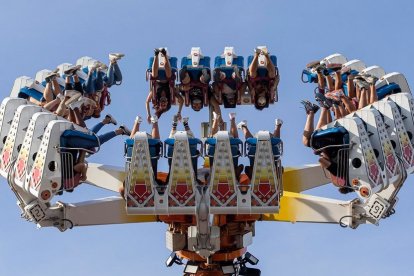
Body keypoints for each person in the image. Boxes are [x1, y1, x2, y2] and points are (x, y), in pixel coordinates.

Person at [300, 100, 353, 194]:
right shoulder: (337, 172)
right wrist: (321, 155)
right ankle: (319, 109)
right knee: (310, 142)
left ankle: (319, 110)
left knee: (315, 141)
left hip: (339, 143)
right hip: (336, 142)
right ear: (340, 183)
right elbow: (322, 161)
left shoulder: (350, 169)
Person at [146, 48, 183, 121]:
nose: (163, 104)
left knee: (154, 76)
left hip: (157, 77)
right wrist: (179, 112)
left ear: (159, 103)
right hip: (167, 76)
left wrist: (149, 114)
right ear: (167, 103)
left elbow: (147, 101)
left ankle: (156, 55)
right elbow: (181, 100)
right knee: (169, 76)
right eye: (165, 105)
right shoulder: (171, 94)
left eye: (161, 105)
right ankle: (164, 54)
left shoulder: (155, 95)